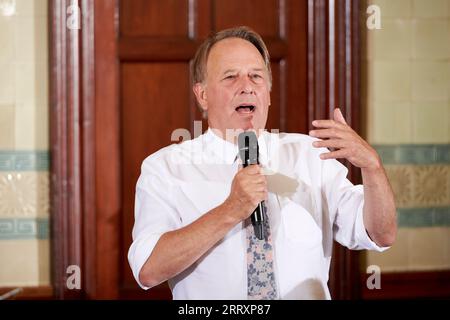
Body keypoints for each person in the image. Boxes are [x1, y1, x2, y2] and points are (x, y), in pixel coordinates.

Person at [128, 26, 397, 300]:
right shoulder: (165, 168)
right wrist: (231, 210)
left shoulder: (311, 155)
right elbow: (148, 269)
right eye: (231, 76)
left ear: (268, 92)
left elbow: (381, 234)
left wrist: (372, 168)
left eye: (256, 76)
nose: (247, 86)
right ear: (202, 95)